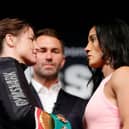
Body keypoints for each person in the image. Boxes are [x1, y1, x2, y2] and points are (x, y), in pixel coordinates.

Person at [0, 18, 71, 129]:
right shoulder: (7, 66)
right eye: (31, 39)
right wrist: (55, 123)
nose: (36, 47)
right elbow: (21, 114)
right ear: (10, 40)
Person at [25, 28, 87, 129]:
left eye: (55, 51)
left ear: (63, 61)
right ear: (32, 56)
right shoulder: (16, 101)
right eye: (42, 50)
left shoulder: (81, 106)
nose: (49, 57)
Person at [83, 18, 129, 129]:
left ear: (110, 41)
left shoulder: (123, 74)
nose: (86, 48)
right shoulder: (105, 83)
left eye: (93, 39)